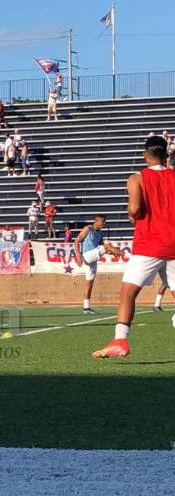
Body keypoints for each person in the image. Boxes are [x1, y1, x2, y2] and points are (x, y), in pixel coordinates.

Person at [93, 136, 175, 357]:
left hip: (149, 243)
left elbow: (135, 209)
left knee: (128, 293)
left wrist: (132, 215)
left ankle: (120, 340)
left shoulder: (136, 178)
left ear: (145, 154)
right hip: (173, 243)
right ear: (165, 154)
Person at [74, 214, 125, 315]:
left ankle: (86, 307)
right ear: (96, 221)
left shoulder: (100, 233)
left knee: (90, 283)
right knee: (109, 245)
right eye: (102, 221)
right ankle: (126, 255)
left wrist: (112, 253)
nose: (104, 223)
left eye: (105, 222)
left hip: (93, 259)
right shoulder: (88, 229)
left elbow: (103, 249)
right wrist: (78, 256)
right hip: (87, 255)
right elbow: (76, 241)